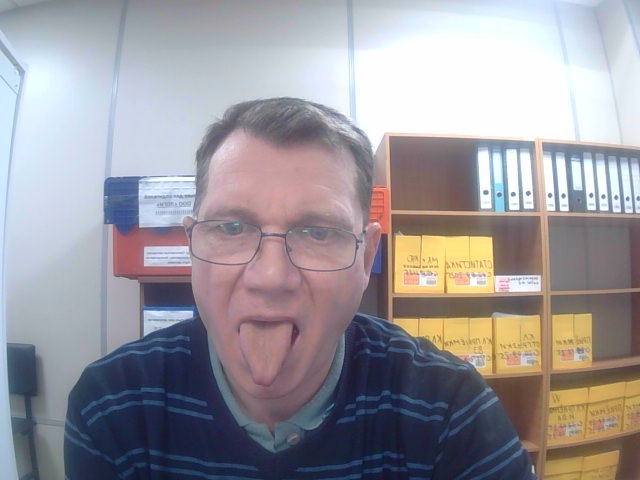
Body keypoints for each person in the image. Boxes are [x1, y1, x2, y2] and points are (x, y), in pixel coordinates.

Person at [65, 97, 536, 479]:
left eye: (318, 232)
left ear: (366, 257)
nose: (271, 277)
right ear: (191, 246)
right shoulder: (114, 405)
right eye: (231, 228)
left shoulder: (449, 409)